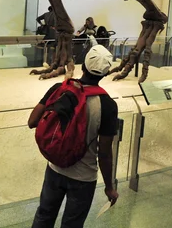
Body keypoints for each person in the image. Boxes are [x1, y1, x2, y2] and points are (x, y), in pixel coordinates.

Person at [29, 41, 119, 227]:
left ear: (83, 65)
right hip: (84, 176)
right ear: (106, 72)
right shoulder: (108, 105)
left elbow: (32, 122)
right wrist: (109, 187)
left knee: (44, 215)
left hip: (55, 168)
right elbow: (104, 152)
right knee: (72, 224)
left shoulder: (59, 89)